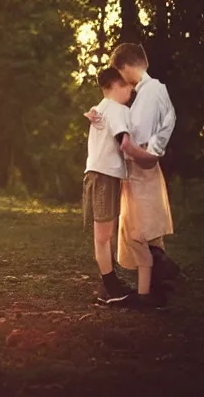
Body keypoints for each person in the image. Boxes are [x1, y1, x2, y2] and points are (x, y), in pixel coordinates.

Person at [111, 42, 179, 302]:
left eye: (120, 72)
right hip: (145, 167)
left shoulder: (149, 93)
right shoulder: (157, 90)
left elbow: (137, 137)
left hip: (140, 169)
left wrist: (123, 141)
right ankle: (156, 289)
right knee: (147, 229)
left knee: (139, 230)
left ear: (125, 67)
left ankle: (150, 289)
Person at [83, 66, 154, 305]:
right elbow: (124, 142)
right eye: (127, 85)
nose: (131, 90)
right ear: (113, 86)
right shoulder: (117, 109)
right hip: (105, 175)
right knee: (104, 235)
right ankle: (112, 285)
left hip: (97, 173)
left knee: (102, 236)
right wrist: (145, 158)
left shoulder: (101, 107)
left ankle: (111, 281)